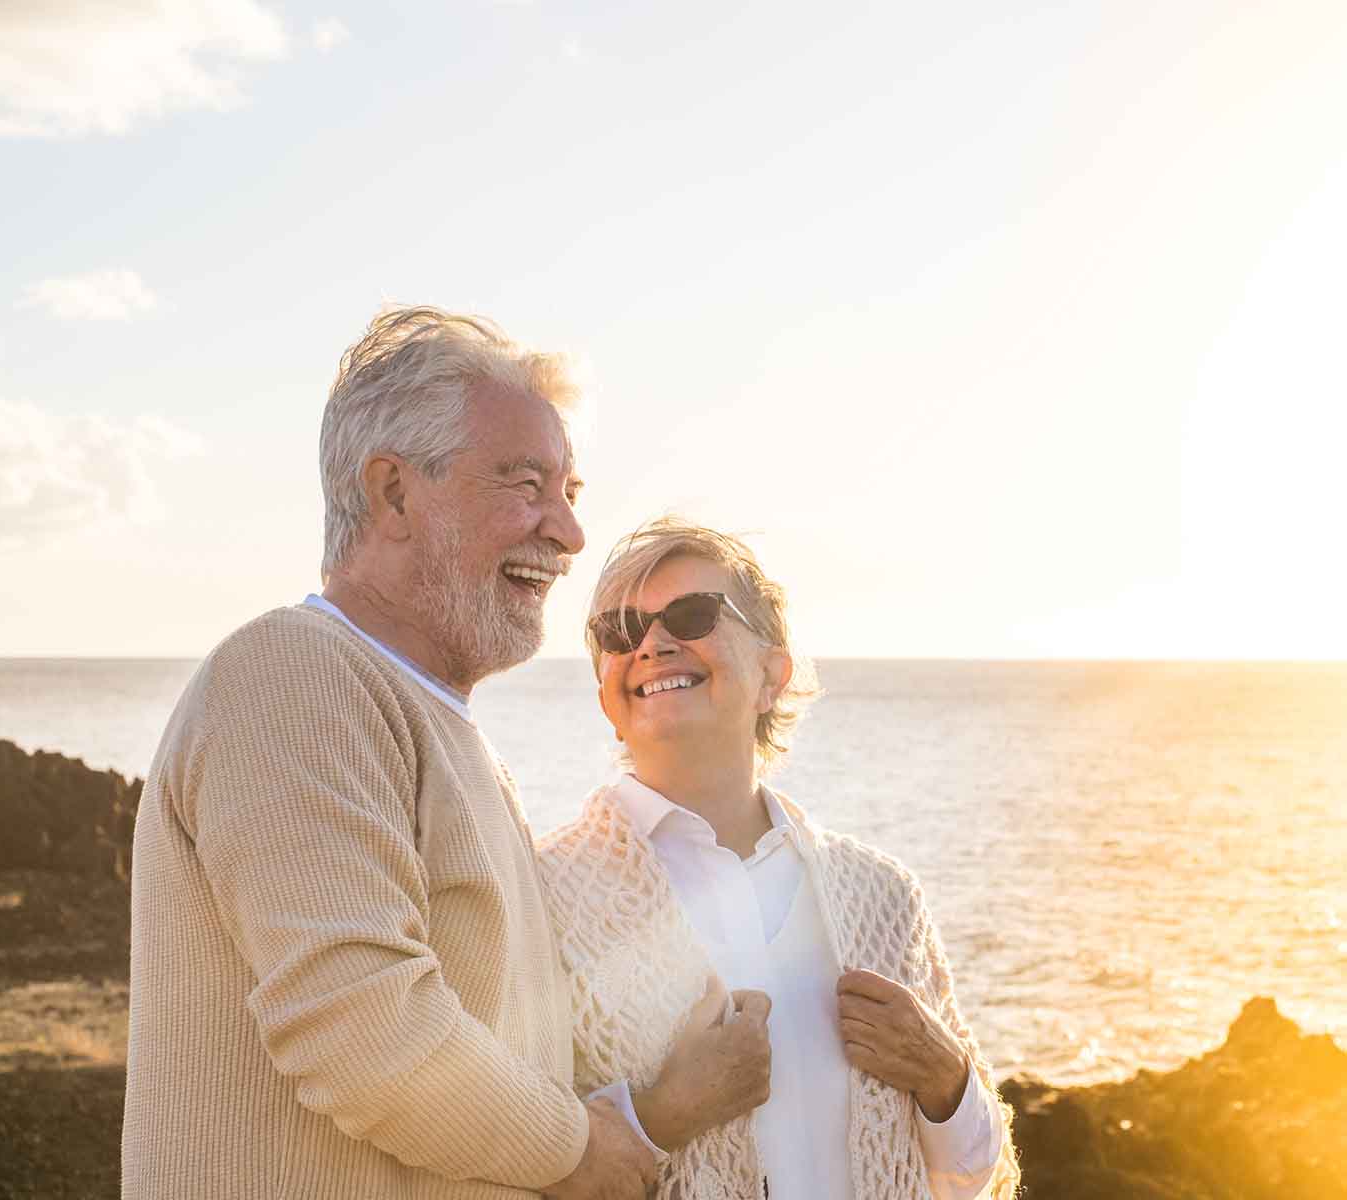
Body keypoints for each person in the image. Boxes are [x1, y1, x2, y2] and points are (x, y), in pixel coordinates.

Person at [122, 306, 661, 1199]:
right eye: (526, 484)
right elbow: (366, 1033)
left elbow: (506, 1056)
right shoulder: (293, 674)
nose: (567, 533)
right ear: (395, 494)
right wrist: (579, 1149)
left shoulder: (439, 723)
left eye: (571, 492)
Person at [537, 518, 1021, 1200]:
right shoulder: (542, 892)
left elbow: (971, 1180)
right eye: (618, 632)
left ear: (773, 673)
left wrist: (947, 1079)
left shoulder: (880, 896)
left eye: (692, 613)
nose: (651, 644)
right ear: (606, 696)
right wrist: (661, 1115)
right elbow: (511, 1168)